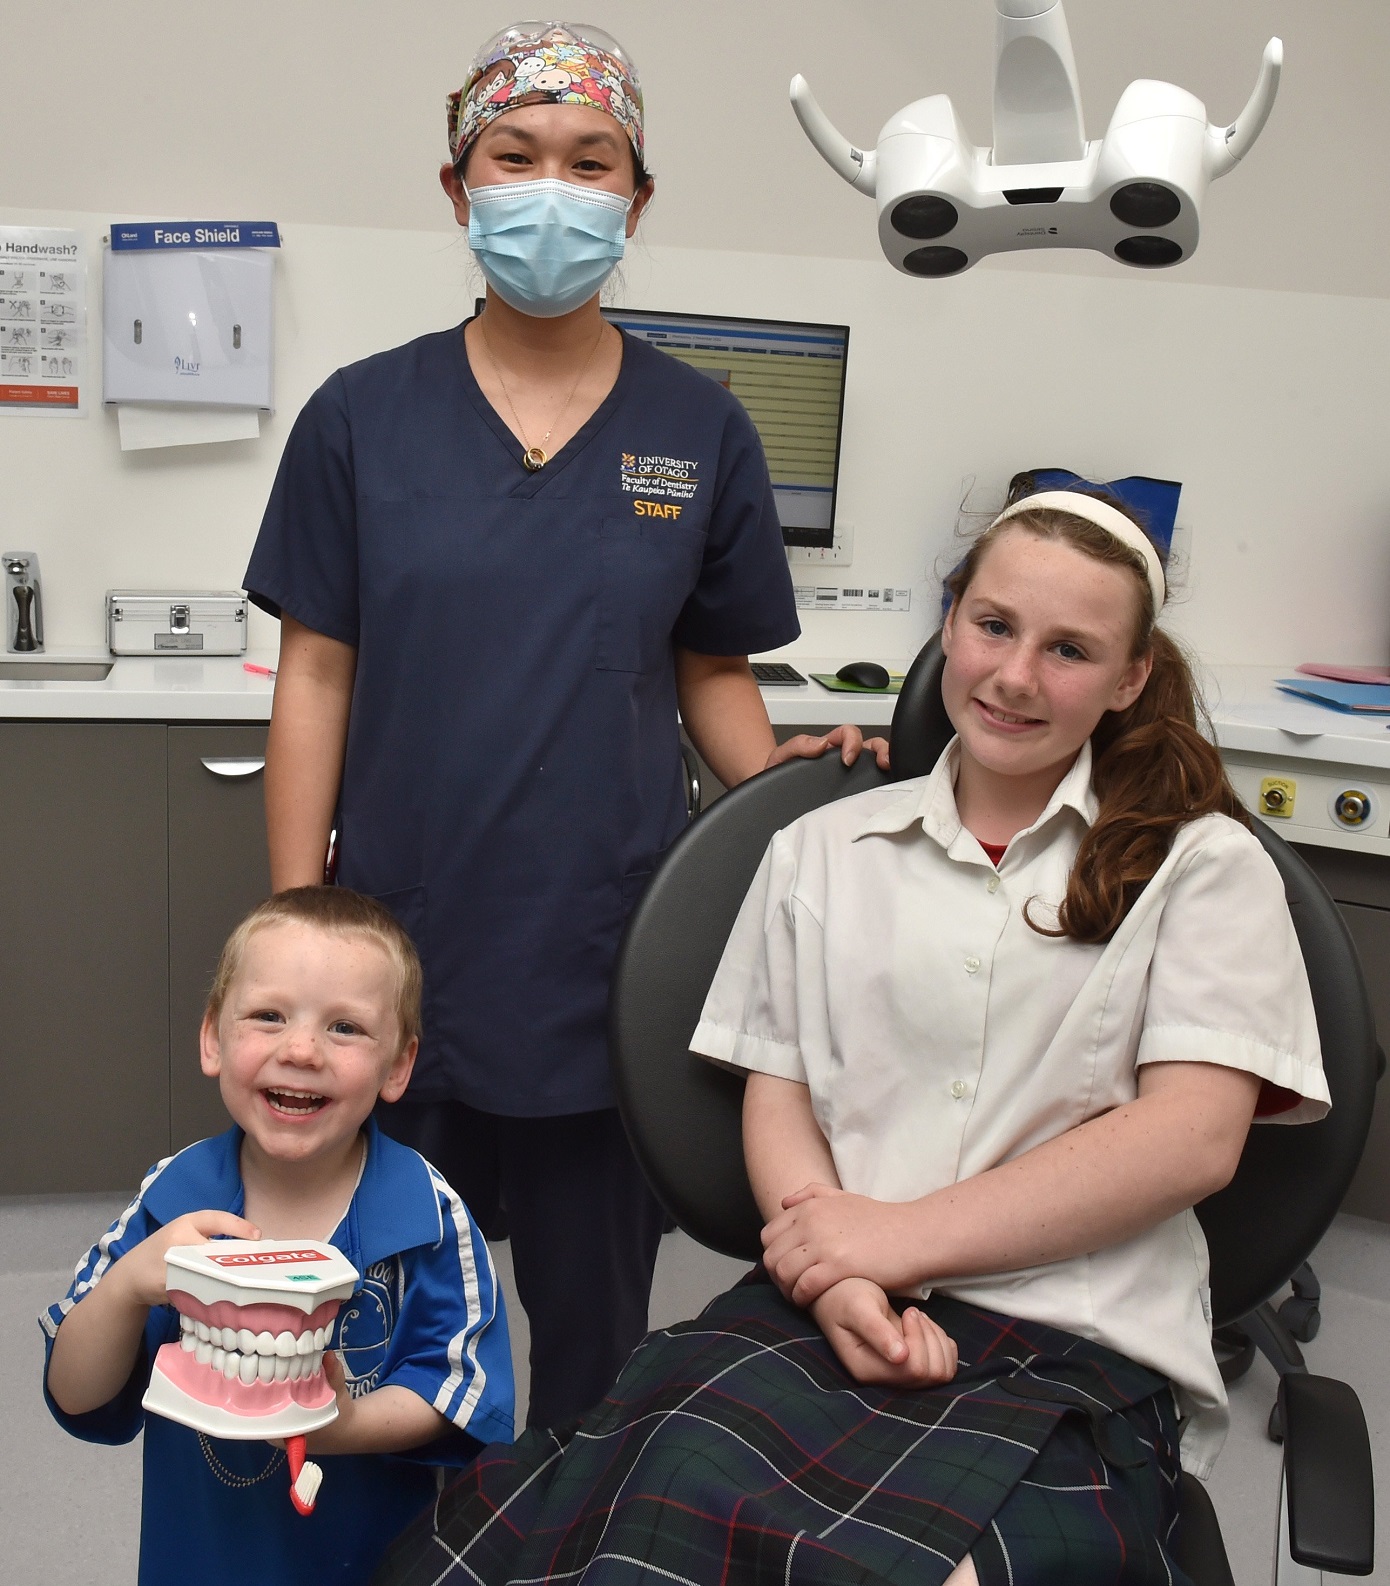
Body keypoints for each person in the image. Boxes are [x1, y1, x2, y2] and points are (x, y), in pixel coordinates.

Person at [370, 488, 1330, 1586]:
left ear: (1129, 679)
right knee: (632, 1523)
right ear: (950, 620)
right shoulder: (822, 848)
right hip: (824, 1312)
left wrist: (898, 1238)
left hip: (1079, 1347)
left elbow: (1192, 1139)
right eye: (993, 625)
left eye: (1070, 648)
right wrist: (840, 1278)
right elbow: (775, 1092)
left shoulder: (1201, 863)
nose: (1016, 675)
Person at [241, 18, 886, 1429]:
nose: (552, 185)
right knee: (394, 1322)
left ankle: (565, 1534)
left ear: (635, 197)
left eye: (589, 161)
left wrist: (770, 778)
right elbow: (317, 674)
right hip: (401, 949)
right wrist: (300, 921)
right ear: (458, 186)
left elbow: (710, 668)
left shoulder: (699, 427)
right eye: (514, 156)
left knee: (591, 1342)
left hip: (605, 958)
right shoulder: (362, 418)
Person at [40, 888, 513, 1586]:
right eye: (268, 1016)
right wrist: (131, 1286)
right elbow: (74, 1392)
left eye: (345, 1028)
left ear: (398, 1066)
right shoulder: (168, 1201)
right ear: (213, 1038)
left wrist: (342, 1427)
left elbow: (464, 1390)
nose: (301, 1050)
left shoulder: (428, 1218)